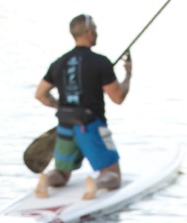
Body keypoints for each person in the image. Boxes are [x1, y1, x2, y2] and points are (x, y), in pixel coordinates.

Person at [34, 14, 132, 200]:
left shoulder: (58, 63)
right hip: (90, 125)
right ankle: (96, 183)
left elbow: (40, 95)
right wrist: (128, 75)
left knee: (62, 174)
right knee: (113, 175)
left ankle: (46, 180)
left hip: (65, 124)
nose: (97, 33)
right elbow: (118, 97)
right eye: (95, 29)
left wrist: (61, 105)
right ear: (88, 33)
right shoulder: (100, 62)